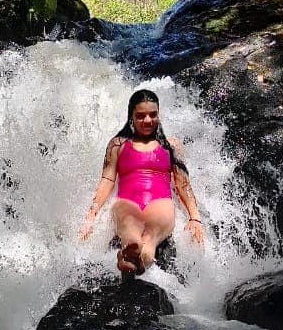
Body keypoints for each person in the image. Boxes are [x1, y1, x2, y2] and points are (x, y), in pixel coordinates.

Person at [79, 89, 204, 275]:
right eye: (141, 116)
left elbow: (182, 184)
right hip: (127, 202)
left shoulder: (171, 146)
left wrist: (195, 217)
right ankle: (132, 253)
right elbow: (107, 180)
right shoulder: (117, 144)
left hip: (159, 202)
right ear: (131, 116)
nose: (147, 120)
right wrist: (91, 214)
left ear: (159, 114)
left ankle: (132, 260)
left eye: (153, 115)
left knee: (150, 237)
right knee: (130, 231)